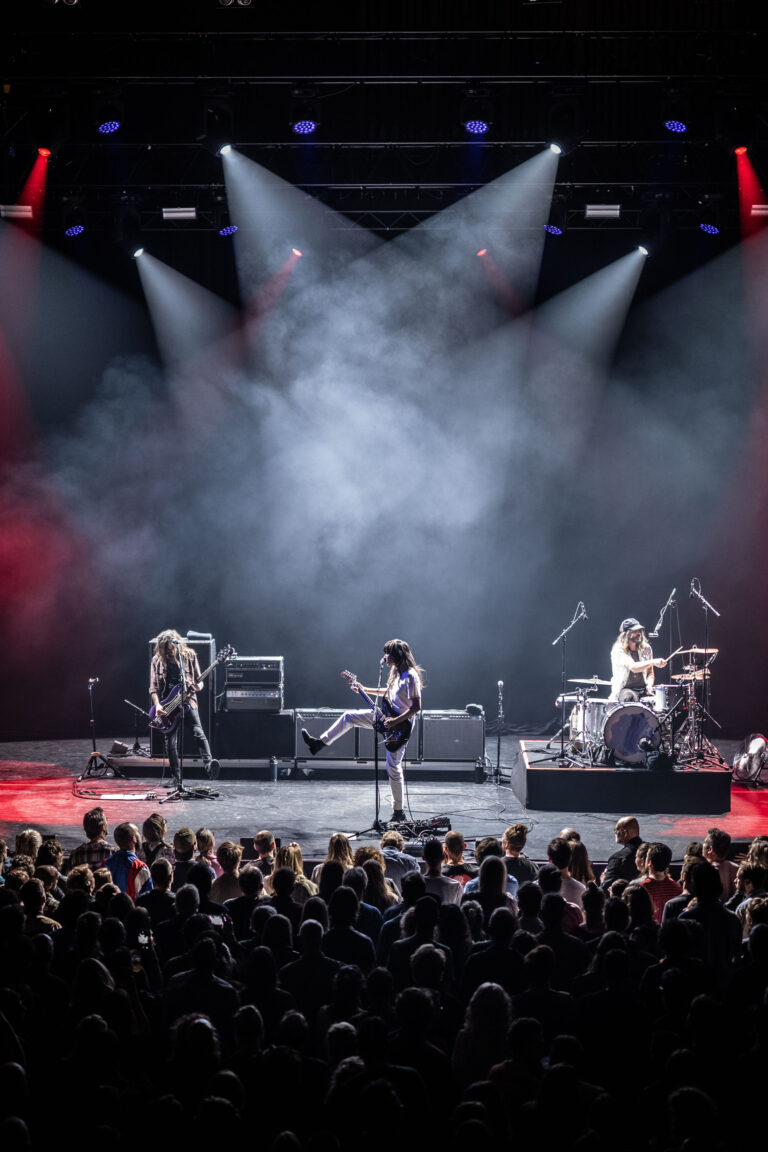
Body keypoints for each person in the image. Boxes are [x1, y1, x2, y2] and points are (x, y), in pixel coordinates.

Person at [301, 638, 423, 822]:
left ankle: (399, 812)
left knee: (393, 766)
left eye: (388, 653)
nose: (385, 657)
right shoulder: (396, 673)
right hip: (385, 717)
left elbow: (416, 707)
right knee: (349, 716)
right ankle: (319, 743)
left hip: (400, 725)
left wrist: (395, 721)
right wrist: (363, 689)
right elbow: (387, 693)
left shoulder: (411, 676)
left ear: (397, 655)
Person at [149, 628, 219, 785]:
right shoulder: (156, 661)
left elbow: (200, 680)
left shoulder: (190, 656)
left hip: (188, 701)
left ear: (177, 646)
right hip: (167, 707)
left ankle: (209, 766)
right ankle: (176, 777)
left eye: (173, 649)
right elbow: (153, 688)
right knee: (171, 742)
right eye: (167, 651)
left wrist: (198, 687)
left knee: (198, 732)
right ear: (162, 649)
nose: (171, 653)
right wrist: (158, 705)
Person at [609, 617, 667, 702]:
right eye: (635, 631)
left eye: (639, 630)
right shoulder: (619, 649)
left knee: (659, 701)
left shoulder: (646, 648)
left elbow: (650, 672)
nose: (639, 633)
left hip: (642, 689)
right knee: (629, 697)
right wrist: (654, 661)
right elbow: (634, 667)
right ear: (627, 634)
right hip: (625, 689)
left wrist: (649, 685)